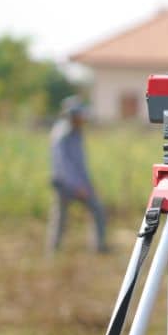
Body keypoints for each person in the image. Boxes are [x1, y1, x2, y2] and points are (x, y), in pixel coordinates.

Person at [47, 96, 108, 253]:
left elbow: (80, 164)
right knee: (60, 219)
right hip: (65, 184)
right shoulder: (62, 134)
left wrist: (88, 183)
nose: (84, 119)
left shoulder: (77, 132)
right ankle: (53, 251)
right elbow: (63, 165)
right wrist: (78, 186)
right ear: (72, 115)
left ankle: (99, 247)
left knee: (98, 211)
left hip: (80, 184)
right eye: (81, 115)